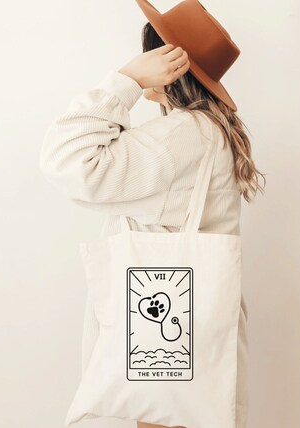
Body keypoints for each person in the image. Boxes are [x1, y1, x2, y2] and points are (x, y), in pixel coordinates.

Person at [39, 19, 265, 428]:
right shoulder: (208, 130)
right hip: (192, 328)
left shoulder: (184, 135)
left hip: (169, 340)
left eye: (152, 53)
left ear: (169, 63)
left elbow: (68, 160)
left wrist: (126, 80)